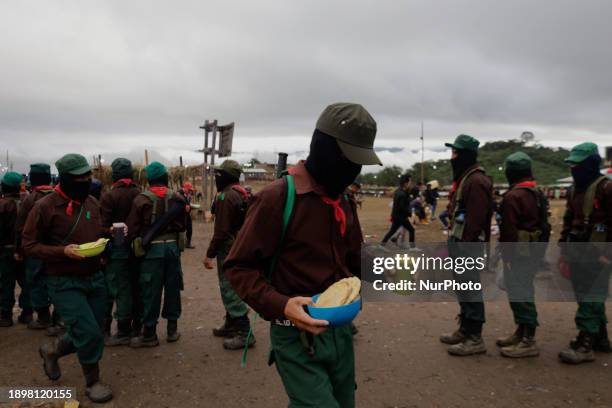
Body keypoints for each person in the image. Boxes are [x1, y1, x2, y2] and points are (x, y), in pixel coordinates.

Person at [224, 102, 379, 407]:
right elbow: (238, 267)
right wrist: (282, 306)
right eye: (348, 159)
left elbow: (358, 262)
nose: (353, 171)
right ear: (324, 148)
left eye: (359, 162)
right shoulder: (276, 198)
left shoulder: (344, 200)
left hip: (341, 335)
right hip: (295, 337)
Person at [22, 154, 112, 403]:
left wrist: (110, 233)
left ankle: (52, 350)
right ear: (64, 179)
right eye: (79, 177)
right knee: (89, 332)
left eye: (88, 176)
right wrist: (62, 251)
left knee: (92, 329)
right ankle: (93, 381)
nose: (85, 181)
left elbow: (96, 230)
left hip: (94, 277)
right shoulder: (44, 207)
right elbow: (29, 245)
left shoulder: (92, 202)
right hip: (63, 281)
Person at [558, 142, 611, 364]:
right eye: (571, 164)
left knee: (591, 297)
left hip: (599, 254)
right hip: (578, 250)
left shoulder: (606, 188)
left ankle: (585, 343)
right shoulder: (574, 190)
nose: (574, 169)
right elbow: (569, 220)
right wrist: (563, 249)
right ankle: (600, 338)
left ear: (590, 164)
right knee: (584, 295)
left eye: (578, 164)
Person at [440, 134, 493, 356]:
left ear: (465, 156)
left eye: (455, 153)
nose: (452, 157)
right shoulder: (465, 178)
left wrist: (465, 248)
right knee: (463, 288)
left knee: (470, 289)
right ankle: (465, 328)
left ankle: (475, 337)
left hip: (467, 245)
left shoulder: (477, 181)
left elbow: (477, 219)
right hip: (459, 241)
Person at [126, 161, 186, 348]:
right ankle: (172, 330)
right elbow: (183, 225)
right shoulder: (178, 198)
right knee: (173, 288)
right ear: (166, 178)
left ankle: (149, 334)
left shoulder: (141, 200)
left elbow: (133, 229)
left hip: (151, 251)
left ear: (149, 179)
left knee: (151, 291)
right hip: (172, 250)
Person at [497, 152, 548, 358]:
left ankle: (528, 340)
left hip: (517, 253)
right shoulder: (538, 193)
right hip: (533, 250)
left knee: (520, 293)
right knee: (523, 290)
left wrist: (506, 257)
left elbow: (508, 231)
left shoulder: (512, 196)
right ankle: (521, 332)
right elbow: (545, 225)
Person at [203, 160, 254, 350]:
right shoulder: (241, 193)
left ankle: (244, 332)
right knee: (232, 285)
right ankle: (231, 324)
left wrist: (209, 254)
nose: (217, 178)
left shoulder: (226, 197)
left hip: (229, 248)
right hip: (241, 245)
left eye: (219, 175)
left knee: (229, 287)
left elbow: (221, 232)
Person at [100, 158, 142, 346]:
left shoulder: (109, 196)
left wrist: (108, 231)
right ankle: (137, 326)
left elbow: (102, 226)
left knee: (120, 288)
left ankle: (123, 330)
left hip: (118, 250)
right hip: (139, 249)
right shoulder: (140, 193)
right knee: (136, 286)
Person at [15, 164, 58, 331]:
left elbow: (20, 228)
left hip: (36, 250)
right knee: (56, 281)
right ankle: (59, 318)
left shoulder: (30, 199)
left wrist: (19, 250)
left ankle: (43, 318)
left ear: (31, 179)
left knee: (36, 281)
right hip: (56, 249)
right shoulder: (57, 196)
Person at [0, 171, 32, 327]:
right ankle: (27, 314)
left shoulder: (2, 205)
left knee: (6, 283)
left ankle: (5, 316)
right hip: (25, 249)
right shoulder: (27, 203)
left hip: (6, 251)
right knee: (26, 281)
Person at [381, 174, 416, 247]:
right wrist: (409, 213)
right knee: (411, 230)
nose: (411, 183)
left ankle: (381, 245)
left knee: (392, 231)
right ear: (405, 183)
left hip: (396, 215)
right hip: (401, 217)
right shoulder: (402, 193)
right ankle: (412, 247)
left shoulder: (398, 191)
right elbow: (402, 207)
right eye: (410, 181)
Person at [179, 182, 196, 249]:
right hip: (181, 214)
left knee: (189, 228)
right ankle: (179, 244)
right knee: (181, 229)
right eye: (189, 190)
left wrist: (190, 206)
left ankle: (188, 243)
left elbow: (188, 203)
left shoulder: (188, 195)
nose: (190, 191)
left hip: (187, 213)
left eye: (190, 190)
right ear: (185, 188)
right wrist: (184, 207)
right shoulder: (179, 194)